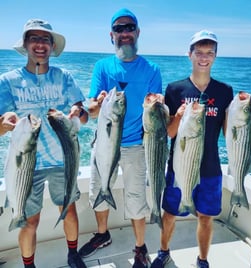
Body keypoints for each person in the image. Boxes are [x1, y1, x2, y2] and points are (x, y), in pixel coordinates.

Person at [0, 19, 88, 268]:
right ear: (26, 44)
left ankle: (73, 253)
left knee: (68, 210)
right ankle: (29, 265)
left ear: (52, 46)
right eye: (34, 39)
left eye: (45, 39)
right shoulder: (7, 81)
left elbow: (82, 113)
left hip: (64, 158)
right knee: (30, 221)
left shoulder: (64, 77)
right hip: (26, 164)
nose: (40, 44)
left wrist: (77, 112)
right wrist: (4, 122)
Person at [78, 8, 163, 268]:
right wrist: (95, 105)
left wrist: (160, 105)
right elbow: (92, 110)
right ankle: (102, 234)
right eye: (119, 29)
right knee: (97, 191)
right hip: (104, 142)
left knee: (137, 199)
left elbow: (156, 112)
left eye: (129, 28)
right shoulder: (102, 67)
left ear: (137, 32)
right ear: (111, 35)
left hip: (136, 145)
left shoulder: (152, 69)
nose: (124, 33)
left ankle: (140, 246)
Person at [151, 30, 233, 268]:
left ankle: (203, 259)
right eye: (199, 52)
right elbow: (168, 133)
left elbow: (229, 133)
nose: (204, 58)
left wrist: (240, 117)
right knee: (169, 214)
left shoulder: (224, 91)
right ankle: (164, 251)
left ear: (215, 56)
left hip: (210, 168)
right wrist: (176, 116)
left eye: (209, 53)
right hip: (179, 165)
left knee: (206, 217)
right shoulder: (176, 89)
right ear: (189, 55)